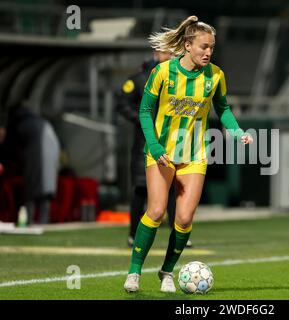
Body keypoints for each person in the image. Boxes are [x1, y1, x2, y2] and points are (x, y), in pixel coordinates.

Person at [123, 15, 253, 293]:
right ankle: (134, 272)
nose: (208, 52)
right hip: (161, 152)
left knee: (183, 219)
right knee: (156, 211)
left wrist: (236, 131)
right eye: (203, 47)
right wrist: (155, 146)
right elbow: (145, 111)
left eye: (212, 48)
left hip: (194, 154)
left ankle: (167, 272)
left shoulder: (215, 75)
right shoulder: (162, 72)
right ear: (187, 45)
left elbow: (224, 108)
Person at [116, 50, 175, 247]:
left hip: (172, 140)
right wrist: (143, 121)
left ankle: (178, 234)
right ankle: (133, 233)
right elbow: (123, 104)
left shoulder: (177, 77)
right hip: (145, 141)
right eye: (167, 52)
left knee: (175, 188)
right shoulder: (140, 78)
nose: (170, 55)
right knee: (141, 189)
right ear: (157, 52)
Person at [1, 104, 60, 224]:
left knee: (31, 190)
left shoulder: (21, 123)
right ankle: (43, 222)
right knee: (45, 190)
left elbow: (10, 148)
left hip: (37, 154)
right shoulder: (39, 122)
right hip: (49, 153)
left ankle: (29, 221)